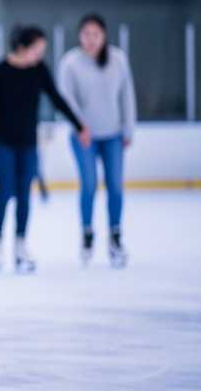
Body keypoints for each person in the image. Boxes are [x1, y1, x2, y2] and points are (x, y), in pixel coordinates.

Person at [0, 25, 90, 274]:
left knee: (24, 193)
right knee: (5, 190)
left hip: (28, 142)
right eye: (37, 49)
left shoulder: (39, 70)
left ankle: (21, 245)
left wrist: (79, 125)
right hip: (1, 140)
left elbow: (56, 99)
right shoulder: (0, 71)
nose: (40, 54)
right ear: (22, 47)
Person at [58, 13, 136, 268]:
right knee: (89, 184)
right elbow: (66, 100)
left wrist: (128, 129)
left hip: (113, 135)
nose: (91, 40)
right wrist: (80, 126)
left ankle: (115, 236)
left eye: (96, 34)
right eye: (86, 34)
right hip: (84, 136)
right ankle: (87, 233)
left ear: (104, 36)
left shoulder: (118, 59)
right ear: (79, 36)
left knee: (115, 185)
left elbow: (127, 95)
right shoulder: (70, 63)